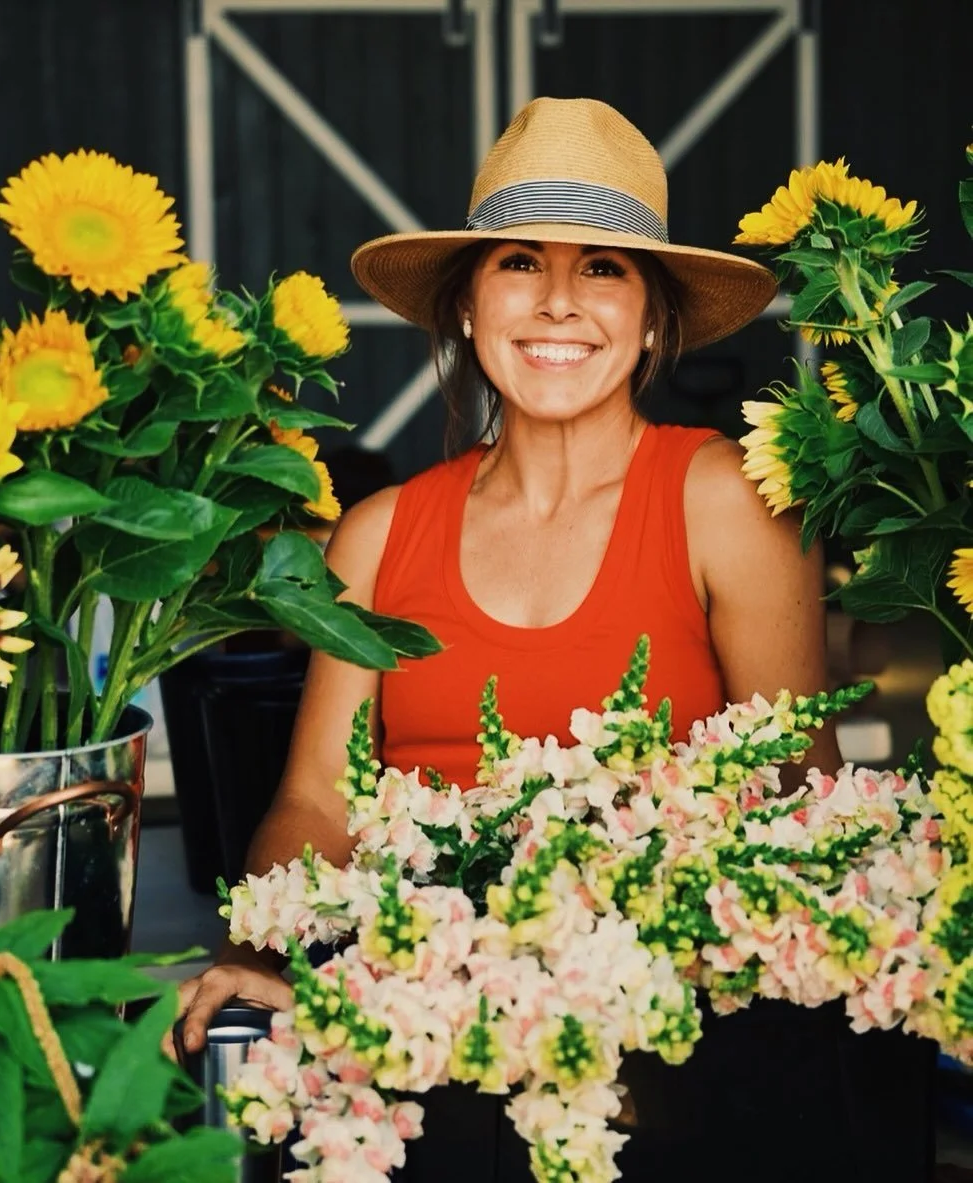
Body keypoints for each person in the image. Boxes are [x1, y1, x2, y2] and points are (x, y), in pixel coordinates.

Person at [172, 98, 933, 1181]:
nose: (561, 302)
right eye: (521, 262)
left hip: (663, 1047)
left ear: (655, 319)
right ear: (470, 307)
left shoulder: (723, 502)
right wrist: (257, 951)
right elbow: (316, 803)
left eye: (607, 269)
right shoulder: (380, 534)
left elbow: (796, 802)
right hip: (409, 1025)